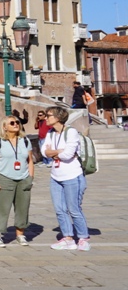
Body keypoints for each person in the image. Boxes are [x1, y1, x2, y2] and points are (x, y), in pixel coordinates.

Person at [41, 107, 91, 251]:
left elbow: (68, 154)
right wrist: (58, 152)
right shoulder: (50, 133)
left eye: (48, 115)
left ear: (58, 118)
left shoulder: (71, 132)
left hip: (72, 175)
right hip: (55, 176)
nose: (45, 118)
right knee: (59, 209)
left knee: (74, 209)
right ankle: (68, 238)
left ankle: (83, 238)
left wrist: (53, 152)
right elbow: (44, 152)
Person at [0, 116, 34, 247]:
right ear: (4, 127)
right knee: (2, 207)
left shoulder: (25, 140)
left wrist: (30, 177)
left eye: (17, 122)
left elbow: (30, 160)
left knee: (23, 207)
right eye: (12, 123)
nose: (16, 124)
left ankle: (20, 234)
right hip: (5, 177)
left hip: (23, 177)